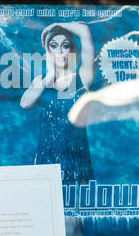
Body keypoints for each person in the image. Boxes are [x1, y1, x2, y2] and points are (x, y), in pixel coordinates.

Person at [19, 21, 95, 183]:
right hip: (47, 161)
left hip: (77, 160)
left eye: (65, 46)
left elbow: (85, 31)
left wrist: (55, 24)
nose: (60, 51)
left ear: (72, 49)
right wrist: (51, 74)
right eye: (53, 46)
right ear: (48, 51)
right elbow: (25, 104)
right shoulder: (41, 82)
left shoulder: (83, 78)